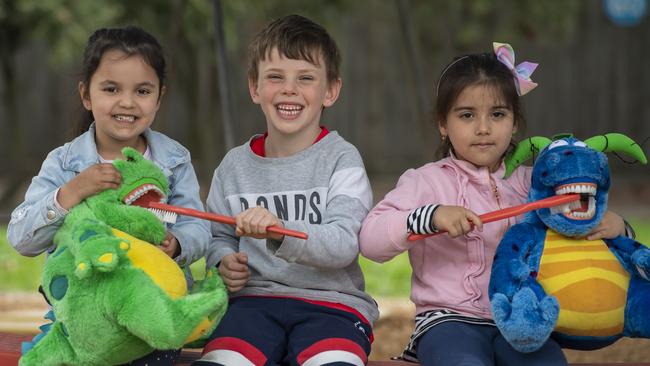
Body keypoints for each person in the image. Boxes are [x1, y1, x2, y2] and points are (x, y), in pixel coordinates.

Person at [359, 43, 633, 366]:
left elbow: (580, 225)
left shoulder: (535, 184)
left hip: (519, 320)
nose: (483, 128)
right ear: (443, 125)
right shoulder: (426, 182)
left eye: (498, 114)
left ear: (515, 121)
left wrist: (618, 228)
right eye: (467, 115)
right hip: (448, 321)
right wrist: (431, 217)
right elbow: (370, 240)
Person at [7, 25, 210, 366]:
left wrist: (177, 244)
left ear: (159, 98)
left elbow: (199, 228)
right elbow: (20, 238)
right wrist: (71, 192)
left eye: (143, 91)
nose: (127, 102)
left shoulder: (173, 161)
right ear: (87, 95)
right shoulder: (65, 163)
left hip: (149, 314)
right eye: (111, 88)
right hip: (84, 314)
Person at [195, 14, 378, 366]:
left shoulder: (342, 159)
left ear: (331, 91)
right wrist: (223, 262)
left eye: (305, 78)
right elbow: (218, 236)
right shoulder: (234, 166)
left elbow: (342, 243)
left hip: (332, 306)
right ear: (255, 88)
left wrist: (279, 230)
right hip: (251, 304)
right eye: (275, 77)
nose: (289, 89)